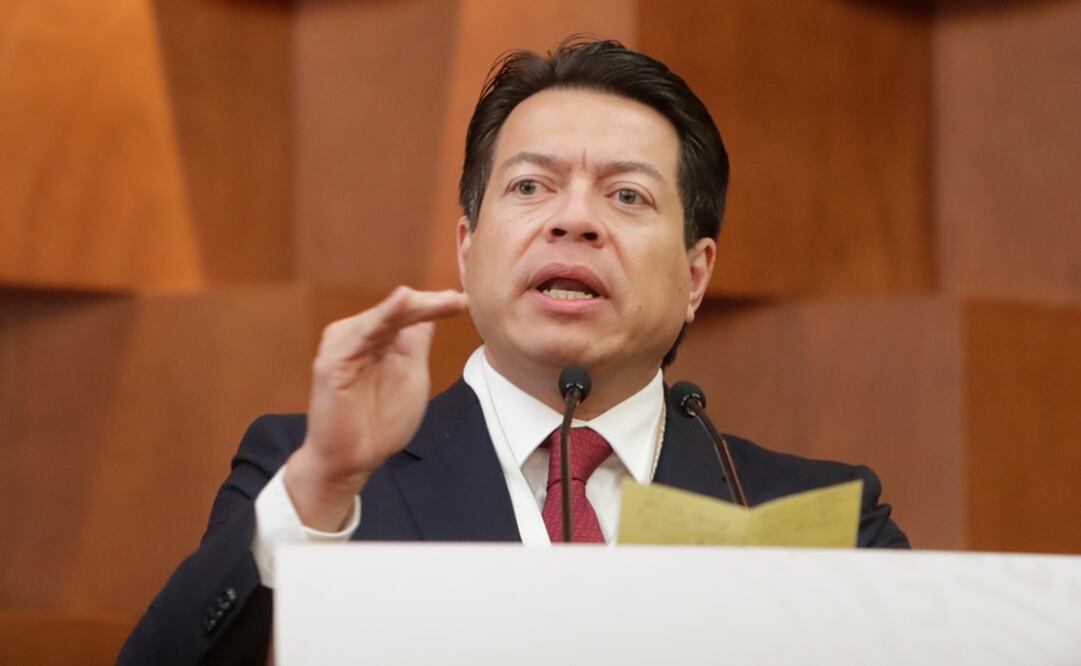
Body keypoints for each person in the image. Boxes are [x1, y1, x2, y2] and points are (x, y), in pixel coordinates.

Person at [119, 37, 908, 665]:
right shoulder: (312, 475)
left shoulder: (820, 523)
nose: (573, 221)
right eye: (530, 187)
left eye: (626, 195)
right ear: (467, 248)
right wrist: (322, 487)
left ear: (696, 274)